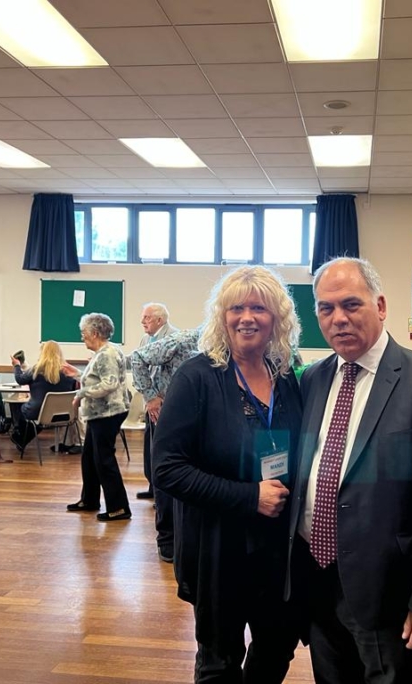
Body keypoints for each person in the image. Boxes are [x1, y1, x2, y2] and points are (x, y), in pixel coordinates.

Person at [287, 257, 412, 684]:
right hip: (317, 576)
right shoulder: (313, 379)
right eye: (326, 309)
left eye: (351, 305)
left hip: (389, 592)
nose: (338, 319)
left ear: (380, 306)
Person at [153, 266, 302, 683]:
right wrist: (247, 496)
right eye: (236, 307)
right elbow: (166, 468)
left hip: (278, 546)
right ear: (222, 316)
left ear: (277, 319)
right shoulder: (197, 377)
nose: (247, 317)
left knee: (277, 645)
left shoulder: (286, 376)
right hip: (219, 547)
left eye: (259, 307)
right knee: (220, 660)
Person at [131, 327, 200, 562]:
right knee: (167, 479)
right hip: (168, 416)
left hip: (199, 419)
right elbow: (137, 358)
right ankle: (167, 539)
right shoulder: (184, 339)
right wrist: (151, 397)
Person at [65, 313, 131, 521]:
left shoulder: (107, 354)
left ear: (95, 333)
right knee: (90, 458)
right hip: (99, 413)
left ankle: (119, 507)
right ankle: (90, 500)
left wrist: (81, 394)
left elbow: (109, 384)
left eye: (83, 333)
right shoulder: (102, 353)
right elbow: (96, 379)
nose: (82, 336)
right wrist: (76, 373)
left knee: (103, 459)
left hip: (108, 413)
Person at [135, 302, 178, 501]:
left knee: (161, 446)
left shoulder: (172, 338)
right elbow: (139, 364)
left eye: (147, 317)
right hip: (150, 399)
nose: (142, 321)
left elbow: (175, 373)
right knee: (149, 444)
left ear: (160, 320)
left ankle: (163, 492)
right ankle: (153, 486)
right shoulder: (146, 339)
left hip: (165, 401)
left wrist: (159, 397)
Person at [9, 340, 77, 451]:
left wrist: (17, 366)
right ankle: (20, 438)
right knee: (34, 413)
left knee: (20, 408)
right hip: (64, 414)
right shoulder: (68, 371)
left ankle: (19, 437)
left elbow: (20, 380)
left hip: (38, 412)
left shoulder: (37, 369)